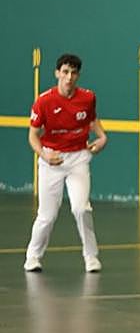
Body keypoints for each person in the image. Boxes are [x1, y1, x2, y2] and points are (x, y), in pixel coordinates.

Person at [24, 53, 106, 273]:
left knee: (81, 208)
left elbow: (91, 119)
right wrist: (44, 155)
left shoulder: (88, 97)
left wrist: (102, 137)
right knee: (47, 215)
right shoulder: (44, 101)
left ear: (78, 75)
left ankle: (91, 257)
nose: (69, 77)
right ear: (57, 73)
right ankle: (32, 257)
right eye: (65, 72)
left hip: (78, 158)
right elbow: (32, 135)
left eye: (74, 73)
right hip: (52, 158)